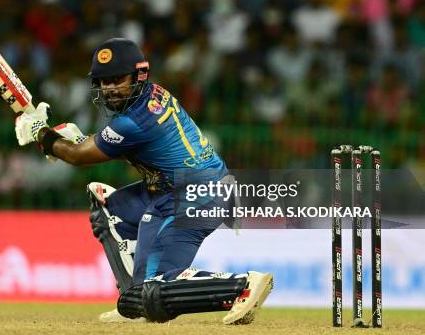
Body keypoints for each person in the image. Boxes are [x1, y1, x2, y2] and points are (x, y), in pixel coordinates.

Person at [14, 38, 273, 324]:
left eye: (117, 80)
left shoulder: (135, 121)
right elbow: (99, 145)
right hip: (169, 191)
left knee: (157, 289)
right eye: (103, 81)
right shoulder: (148, 98)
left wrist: (42, 134)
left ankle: (242, 285)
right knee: (107, 208)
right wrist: (67, 139)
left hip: (198, 196)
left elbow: (78, 156)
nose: (109, 88)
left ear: (138, 76)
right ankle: (133, 303)